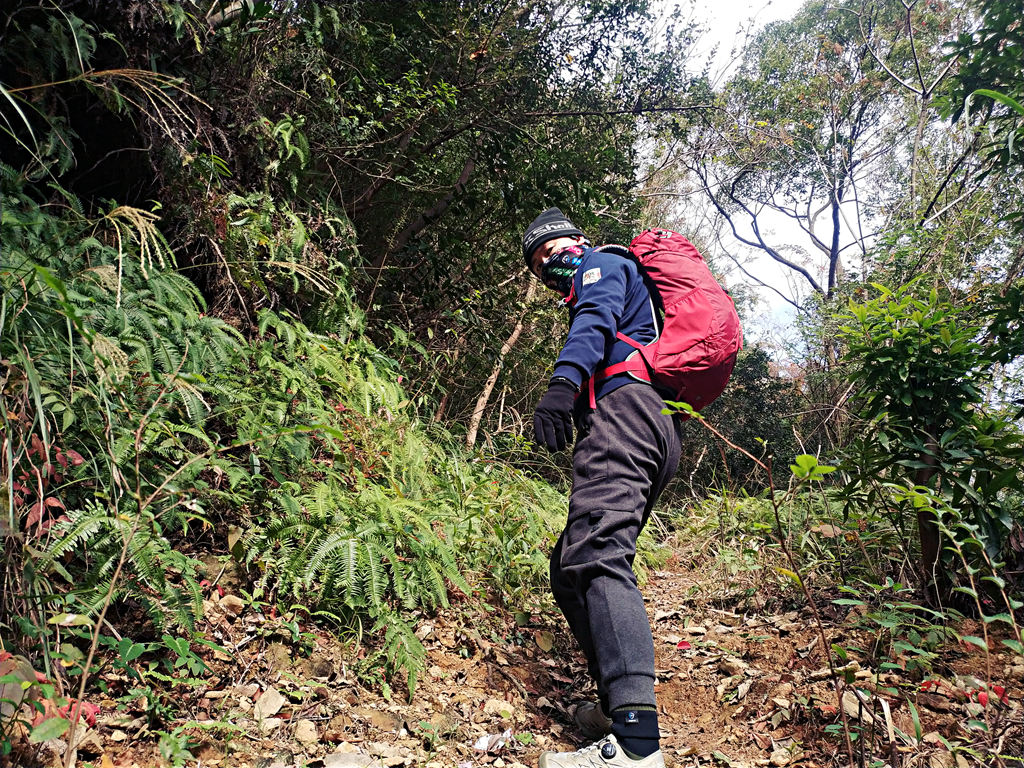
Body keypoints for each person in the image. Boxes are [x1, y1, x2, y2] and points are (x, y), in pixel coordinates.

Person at [523, 207, 682, 768]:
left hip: (626, 413)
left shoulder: (603, 263)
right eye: (540, 263)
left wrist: (563, 382)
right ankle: (618, 708)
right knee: (568, 564)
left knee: (597, 557)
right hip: (641, 420)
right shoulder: (605, 275)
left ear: (578, 240)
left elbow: (594, 318)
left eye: (552, 248)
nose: (548, 262)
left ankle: (637, 745)